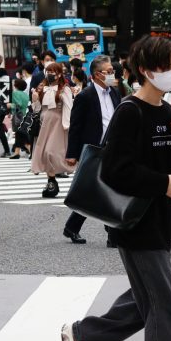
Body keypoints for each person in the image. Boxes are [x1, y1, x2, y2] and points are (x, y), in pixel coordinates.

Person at [60, 35, 171, 341]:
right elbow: (116, 172)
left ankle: (84, 337)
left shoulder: (167, 112)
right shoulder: (130, 111)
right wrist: (162, 183)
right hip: (134, 222)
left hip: (159, 217)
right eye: (164, 67)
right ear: (144, 70)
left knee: (146, 300)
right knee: (164, 301)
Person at [63, 56, 122, 244]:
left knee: (111, 189)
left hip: (113, 147)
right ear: (97, 75)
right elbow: (76, 127)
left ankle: (111, 232)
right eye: (109, 72)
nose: (113, 74)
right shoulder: (85, 96)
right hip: (93, 148)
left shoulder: (114, 93)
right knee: (91, 190)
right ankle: (78, 227)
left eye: (113, 71)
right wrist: (72, 154)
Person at [30, 61, 74, 198]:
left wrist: (67, 124)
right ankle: (51, 181)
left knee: (51, 152)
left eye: (52, 71)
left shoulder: (64, 88)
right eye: (47, 71)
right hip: (44, 122)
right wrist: (35, 99)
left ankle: (55, 179)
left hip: (58, 123)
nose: (49, 74)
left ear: (59, 74)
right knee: (44, 153)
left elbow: (68, 107)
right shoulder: (42, 87)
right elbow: (37, 109)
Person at [9, 77, 31, 159]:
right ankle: (16, 152)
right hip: (25, 115)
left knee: (22, 134)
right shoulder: (25, 94)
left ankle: (31, 151)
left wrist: (10, 106)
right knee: (19, 134)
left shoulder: (15, 93)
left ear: (16, 85)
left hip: (18, 116)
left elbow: (18, 104)